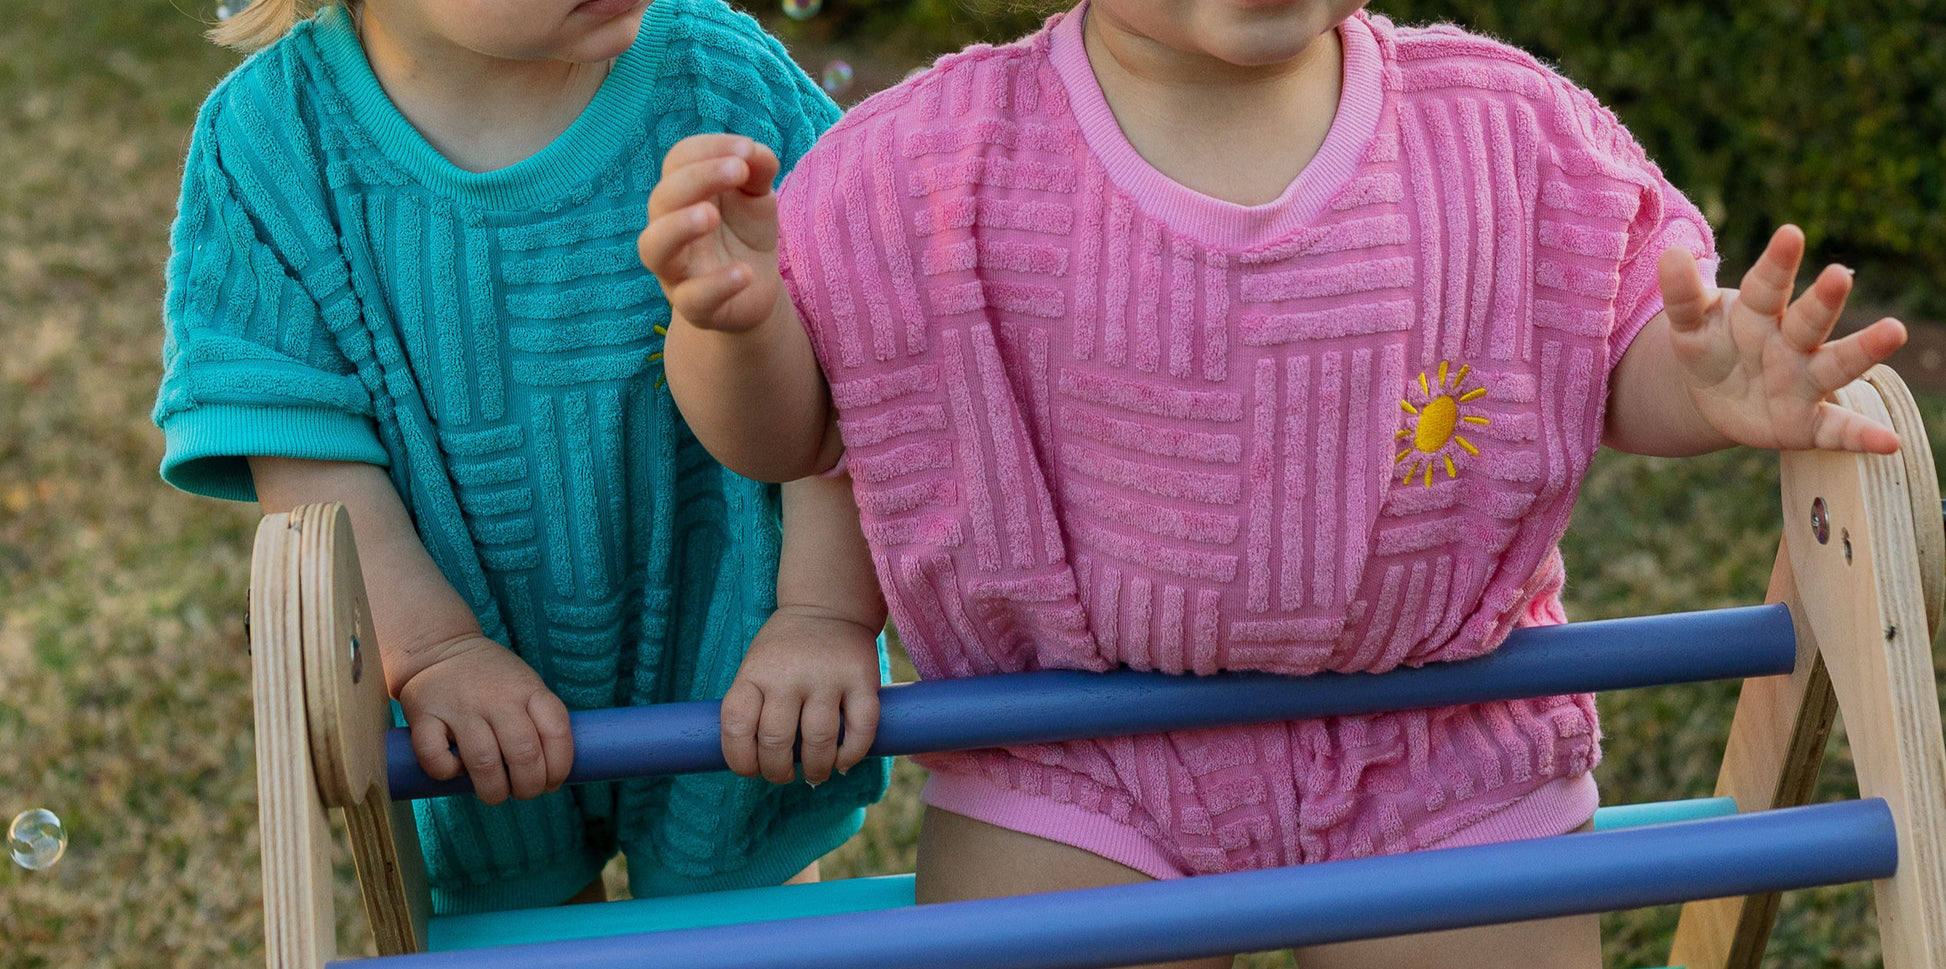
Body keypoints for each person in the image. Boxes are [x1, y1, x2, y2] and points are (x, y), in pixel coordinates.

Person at [641, 1, 1908, 965]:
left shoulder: (1505, 130)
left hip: (1441, 734)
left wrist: (1703, 388)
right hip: (1077, 751)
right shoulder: (922, 161)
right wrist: (737, 332)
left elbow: (1608, 345)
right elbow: (794, 431)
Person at [152, 0, 890, 915]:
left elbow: (844, 355)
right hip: (469, 672)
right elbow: (306, 451)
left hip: (738, 639)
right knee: (524, 932)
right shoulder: (272, 144)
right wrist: (433, 652)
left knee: (742, 933)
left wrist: (823, 610)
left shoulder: (720, 80)